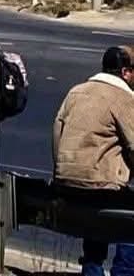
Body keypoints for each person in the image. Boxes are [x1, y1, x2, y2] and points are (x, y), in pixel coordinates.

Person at [52, 46, 134, 276]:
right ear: (126, 72)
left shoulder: (76, 92)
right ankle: (124, 272)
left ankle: (92, 270)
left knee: (95, 224)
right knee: (128, 222)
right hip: (101, 186)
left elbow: (57, 132)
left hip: (66, 183)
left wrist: (60, 169)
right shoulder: (124, 98)